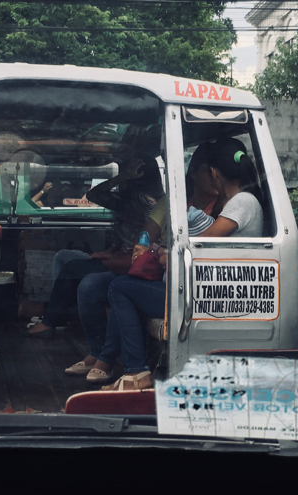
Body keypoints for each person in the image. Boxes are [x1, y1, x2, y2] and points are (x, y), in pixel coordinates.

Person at [98, 138, 262, 391]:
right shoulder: (239, 202)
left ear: (214, 173)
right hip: (205, 288)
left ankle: (135, 372)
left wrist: (166, 254)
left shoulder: (242, 202)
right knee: (125, 287)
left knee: (120, 288)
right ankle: (122, 365)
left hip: (205, 294)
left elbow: (199, 244)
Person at [25, 155, 162, 346]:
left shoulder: (139, 201)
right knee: (64, 257)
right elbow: (128, 234)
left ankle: (49, 322)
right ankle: (59, 317)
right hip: (119, 256)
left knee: (72, 268)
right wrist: (109, 251)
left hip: (125, 264)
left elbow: (94, 195)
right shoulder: (150, 201)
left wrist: (121, 178)